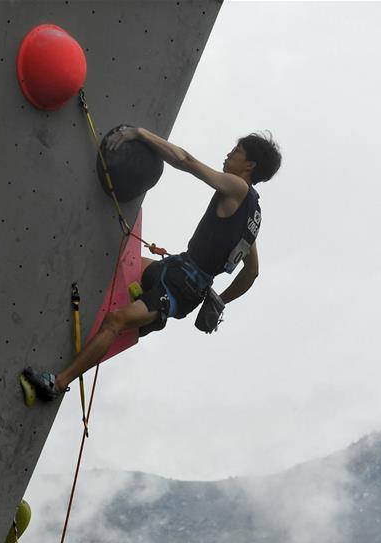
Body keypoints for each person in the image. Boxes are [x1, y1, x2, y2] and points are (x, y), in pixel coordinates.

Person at [24, 128, 281, 400]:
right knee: (121, 265)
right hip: (178, 269)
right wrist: (219, 299)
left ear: (250, 165)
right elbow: (251, 272)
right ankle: (143, 310)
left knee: (116, 320)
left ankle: (57, 383)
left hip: (180, 289)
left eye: (237, 152)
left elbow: (186, 161)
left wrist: (140, 134)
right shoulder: (254, 215)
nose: (229, 155)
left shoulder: (238, 187)